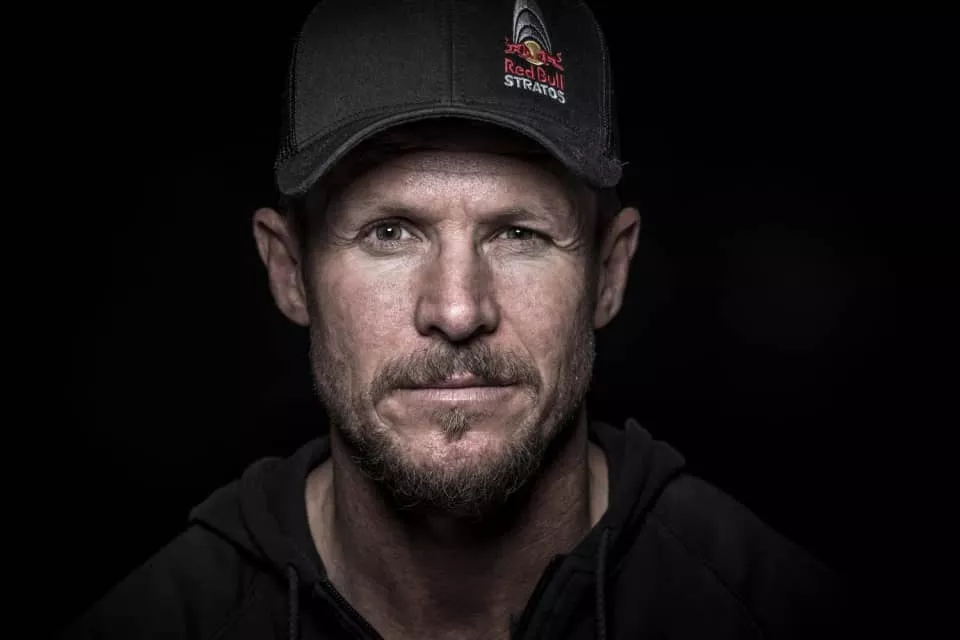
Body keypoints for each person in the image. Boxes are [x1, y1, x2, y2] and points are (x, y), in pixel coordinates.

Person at [65, 0, 849, 638]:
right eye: (389, 232)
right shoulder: (161, 621)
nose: (458, 309)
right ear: (288, 271)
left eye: (519, 233)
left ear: (609, 272)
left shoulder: (778, 612)